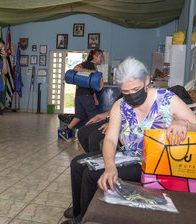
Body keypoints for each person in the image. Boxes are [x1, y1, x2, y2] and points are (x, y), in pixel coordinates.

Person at [61, 57, 196, 224]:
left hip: (153, 163)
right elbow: (110, 139)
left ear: (146, 81)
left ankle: (83, 219)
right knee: (77, 163)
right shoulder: (120, 105)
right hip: (127, 155)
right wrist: (110, 165)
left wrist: (183, 123)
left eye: (136, 89)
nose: (131, 95)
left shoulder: (167, 99)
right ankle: (78, 209)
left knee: (91, 174)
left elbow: (195, 125)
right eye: (126, 92)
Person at [60, 50, 104, 141]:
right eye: (101, 56)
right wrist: (90, 71)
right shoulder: (88, 64)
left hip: (80, 95)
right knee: (94, 116)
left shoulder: (93, 66)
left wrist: (95, 98)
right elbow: (76, 68)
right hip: (85, 95)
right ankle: (95, 137)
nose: (102, 59)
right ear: (95, 56)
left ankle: (65, 131)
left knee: (79, 116)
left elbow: (91, 85)